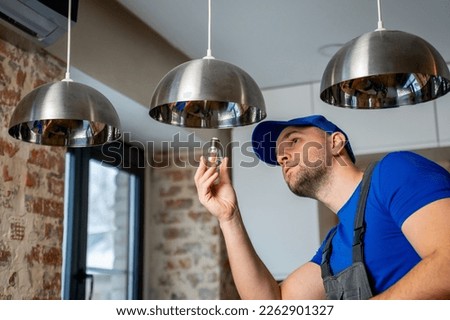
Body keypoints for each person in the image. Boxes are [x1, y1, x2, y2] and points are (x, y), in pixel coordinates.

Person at [194, 114, 450, 299]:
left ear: (335, 142)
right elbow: (271, 306)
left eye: (292, 141)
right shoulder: (332, 248)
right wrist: (229, 217)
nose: (281, 156)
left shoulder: (393, 172)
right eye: (278, 155)